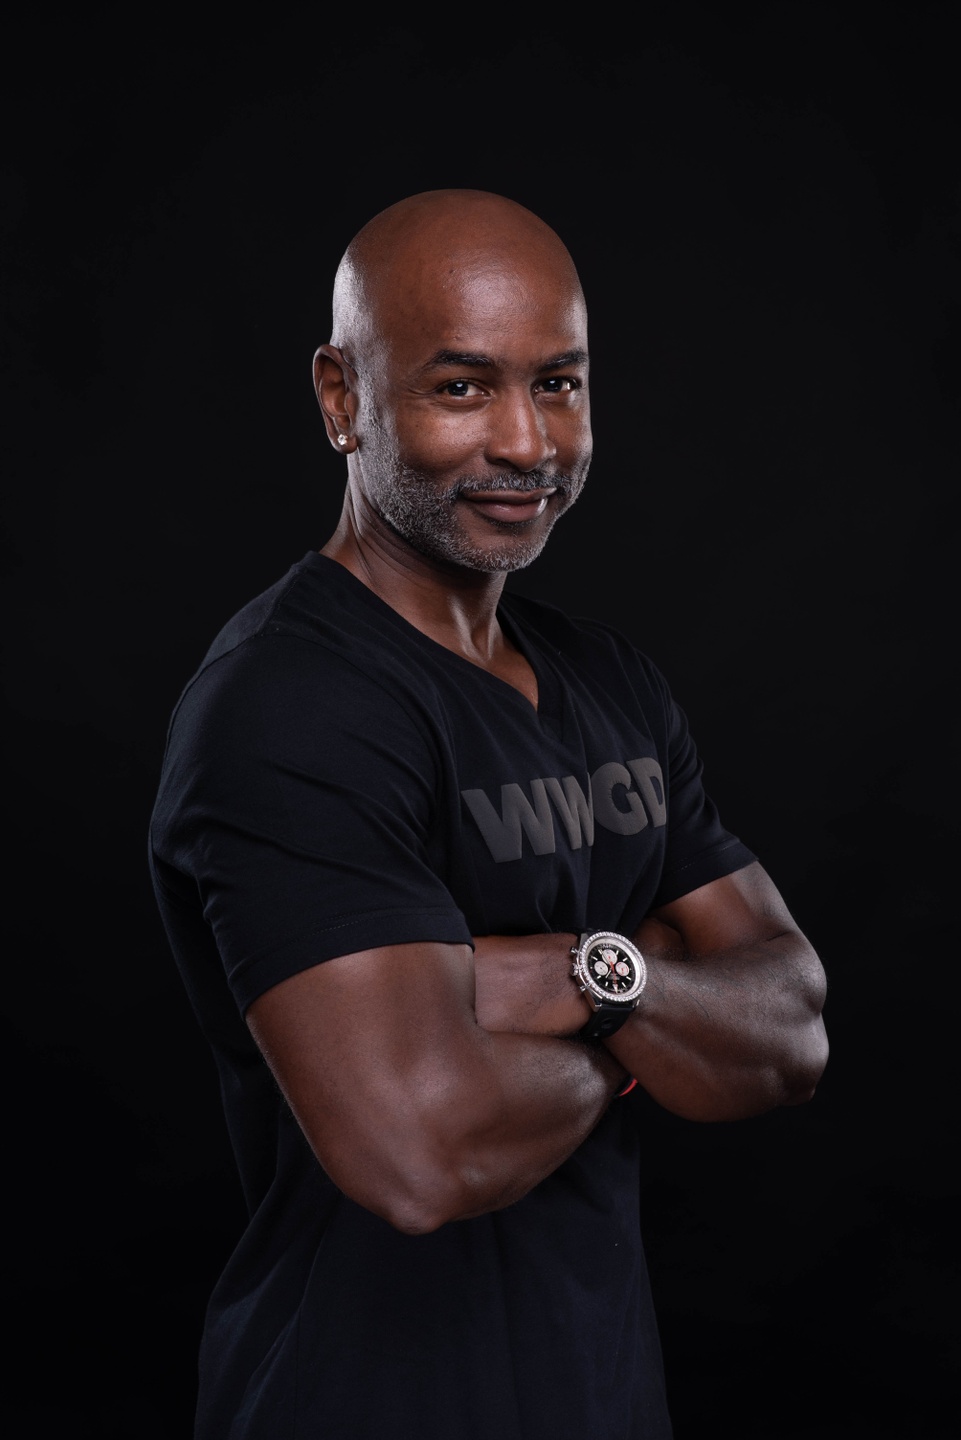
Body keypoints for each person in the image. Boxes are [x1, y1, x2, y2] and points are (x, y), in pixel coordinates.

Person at [148, 188, 829, 1439]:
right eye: (460, 388)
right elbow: (423, 1153)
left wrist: (570, 976)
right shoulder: (287, 709)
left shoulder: (610, 682)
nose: (526, 442)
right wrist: (654, 1004)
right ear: (342, 399)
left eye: (557, 383)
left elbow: (788, 1032)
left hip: (601, 1395)